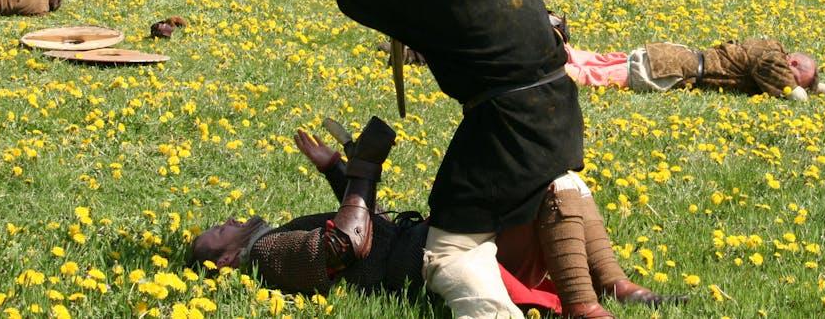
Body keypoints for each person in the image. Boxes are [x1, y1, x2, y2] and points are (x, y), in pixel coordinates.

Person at [339, 0, 669, 318]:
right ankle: (609, 289)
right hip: (559, 107)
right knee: (559, 183)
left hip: (503, 123)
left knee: (449, 251)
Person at [192, 123, 672, 316]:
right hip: (426, 260)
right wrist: (362, 171)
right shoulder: (267, 254)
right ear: (227, 259)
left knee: (558, 180)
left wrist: (336, 169)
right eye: (218, 231)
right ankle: (590, 307)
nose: (228, 220)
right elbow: (345, 245)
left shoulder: (276, 240)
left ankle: (613, 283)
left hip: (438, 237)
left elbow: (362, 224)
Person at [563, 38, 825, 99]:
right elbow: (793, 93)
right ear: (792, 63)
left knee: (599, 61)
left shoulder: (769, 46)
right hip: (672, 69)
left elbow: (799, 83)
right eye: (798, 76)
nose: (793, 80)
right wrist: (807, 92)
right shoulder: (772, 61)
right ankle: (548, 70)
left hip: (673, 55)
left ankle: (558, 50)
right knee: (595, 77)